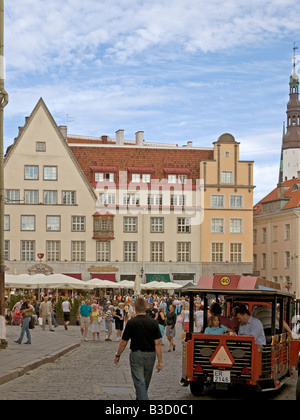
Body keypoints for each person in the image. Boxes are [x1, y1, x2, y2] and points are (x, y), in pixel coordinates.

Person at [114, 297, 163, 400]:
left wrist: (118, 355)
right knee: (144, 384)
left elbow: (123, 342)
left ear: (135, 308)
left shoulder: (131, 323)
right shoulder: (153, 322)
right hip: (150, 356)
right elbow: (157, 343)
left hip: (136, 355)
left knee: (140, 383)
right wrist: (160, 360)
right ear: (145, 308)